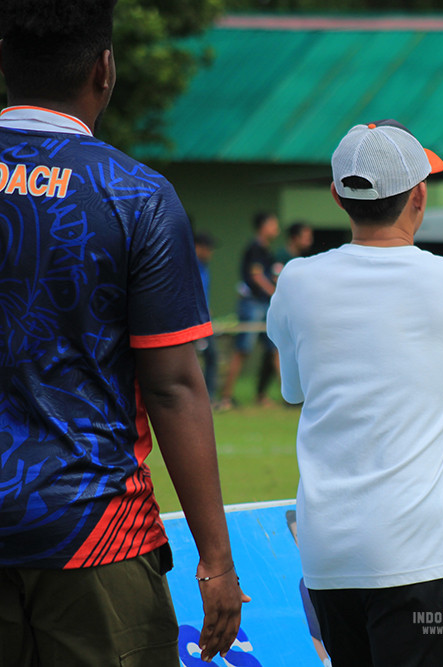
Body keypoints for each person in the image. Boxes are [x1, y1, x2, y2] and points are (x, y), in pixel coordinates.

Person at [0, 1, 246, 664]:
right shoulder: (136, 194)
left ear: (3, 63)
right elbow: (172, 387)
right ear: (104, 69)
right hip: (96, 533)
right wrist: (216, 560)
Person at [266, 119, 443, 666]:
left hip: (327, 552)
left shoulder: (296, 280)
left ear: (338, 196)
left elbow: (293, 389)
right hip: (420, 553)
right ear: (419, 196)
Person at [218, 211, 281, 409]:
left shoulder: (266, 250)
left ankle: (290, 399)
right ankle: (226, 398)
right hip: (252, 304)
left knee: (276, 349)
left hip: (264, 304)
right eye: (273, 224)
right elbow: (257, 277)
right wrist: (275, 293)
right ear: (263, 226)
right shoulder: (254, 248)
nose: (276, 229)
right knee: (242, 350)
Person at [195, 232, 219, 402]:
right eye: (208, 248)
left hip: (204, 321)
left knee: (212, 356)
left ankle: (208, 397)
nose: (210, 252)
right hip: (193, 322)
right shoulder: (189, 266)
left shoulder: (204, 267)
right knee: (194, 360)